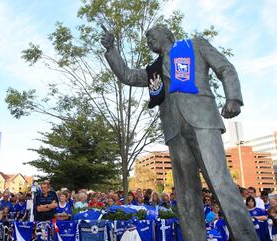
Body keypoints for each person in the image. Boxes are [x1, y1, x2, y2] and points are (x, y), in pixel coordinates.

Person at [102, 23, 259, 241]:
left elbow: (225, 68)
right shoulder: (154, 70)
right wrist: (112, 51)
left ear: (166, 33)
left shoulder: (195, 46)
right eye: (146, 37)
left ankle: (245, 237)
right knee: (186, 193)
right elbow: (128, 76)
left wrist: (233, 98)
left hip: (202, 121)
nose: (147, 38)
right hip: (175, 130)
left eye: (151, 34)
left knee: (219, 180)